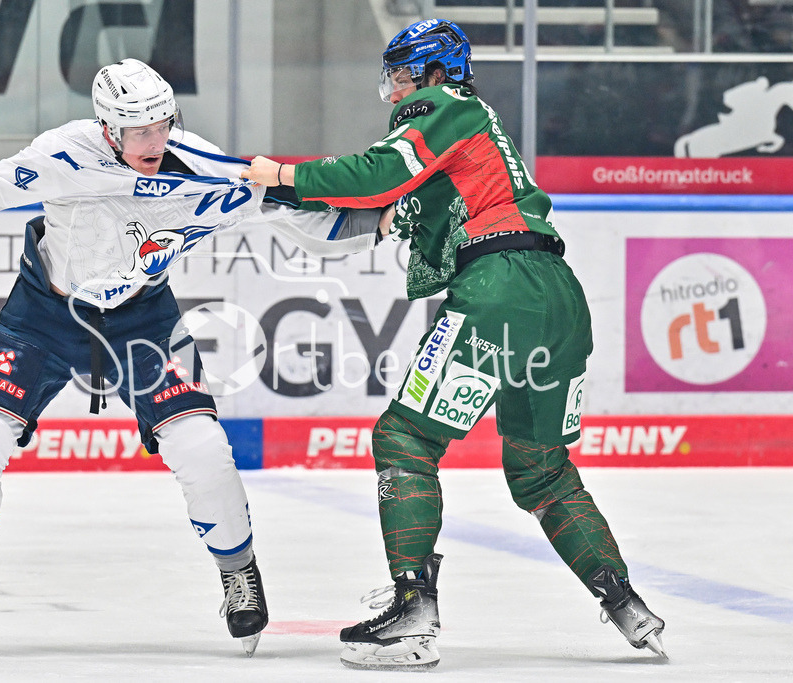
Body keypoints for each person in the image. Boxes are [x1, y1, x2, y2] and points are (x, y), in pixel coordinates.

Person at [0, 58, 379, 658]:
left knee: (201, 448)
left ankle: (239, 573)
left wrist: (384, 221)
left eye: (162, 125)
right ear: (107, 127)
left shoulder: (196, 163)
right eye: (139, 132)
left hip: (144, 323)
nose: (154, 141)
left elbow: (285, 207)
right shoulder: (62, 154)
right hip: (43, 316)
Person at [242, 19, 666, 671]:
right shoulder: (466, 153)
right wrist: (268, 202)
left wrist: (283, 172)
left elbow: (377, 175)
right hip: (559, 298)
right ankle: (626, 602)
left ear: (432, 72)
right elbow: (370, 217)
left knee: (404, 439)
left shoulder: (445, 108)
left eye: (403, 73)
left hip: (501, 290)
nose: (395, 89)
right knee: (543, 470)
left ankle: (414, 608)